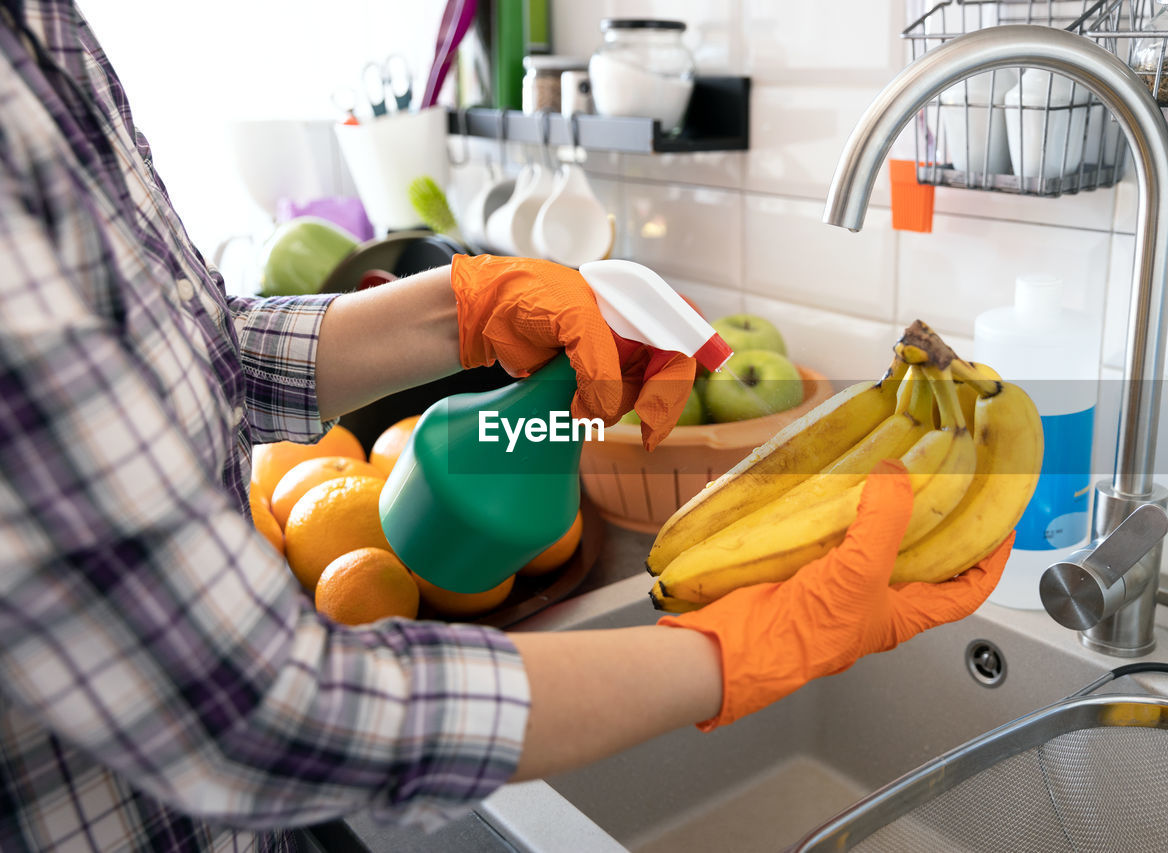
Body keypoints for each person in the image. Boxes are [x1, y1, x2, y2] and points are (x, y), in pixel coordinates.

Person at [0, 2, 1011, 850]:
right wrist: (731, 652)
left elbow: (196, 348)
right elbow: (252, 708)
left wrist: (463, 309)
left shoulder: (48, 31)